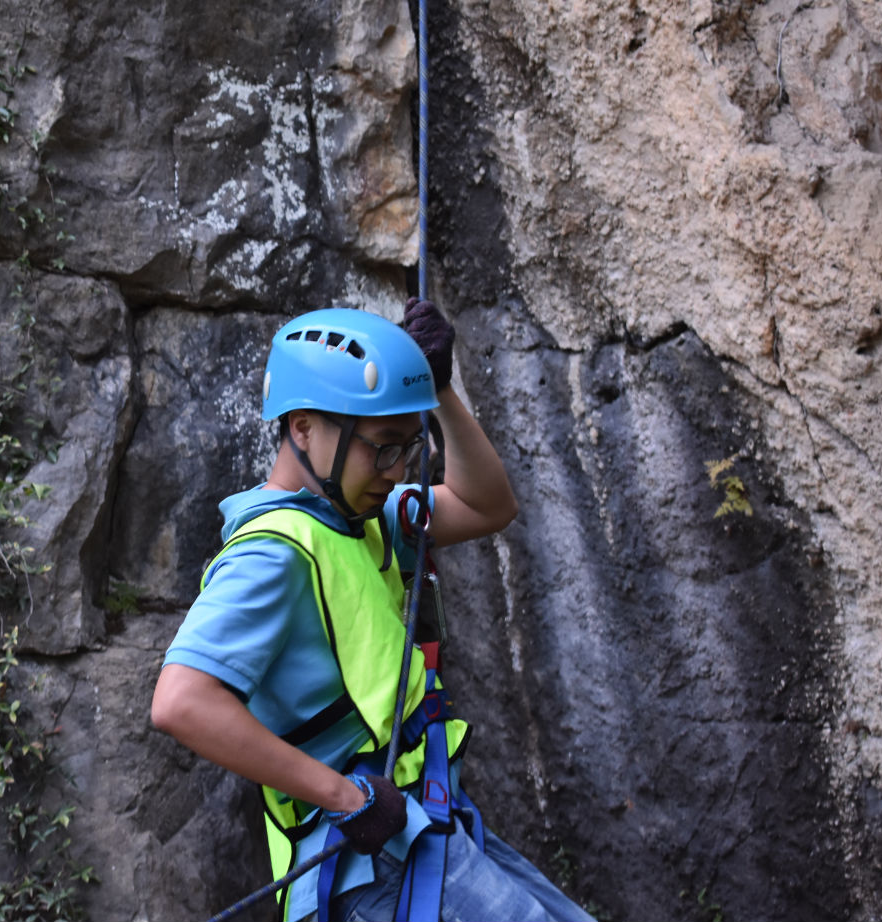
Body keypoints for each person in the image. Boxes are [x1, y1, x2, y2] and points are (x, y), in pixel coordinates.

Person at [152, 300, 594, 922]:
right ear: (303, 428)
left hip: (421, 825)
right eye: (381, 449)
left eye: (409, 449)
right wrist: (342, 795)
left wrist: (437, 391)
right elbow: (180, 701)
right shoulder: (273, 554)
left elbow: (488, 503)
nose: (397, 472)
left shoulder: (360, 519)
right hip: (368, 864)